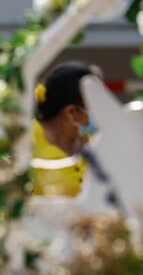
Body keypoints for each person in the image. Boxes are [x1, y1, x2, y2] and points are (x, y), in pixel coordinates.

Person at [31, 61, 102, 196]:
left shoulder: (96, 142)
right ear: (71, 112)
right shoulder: (26, 140)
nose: (100, 113)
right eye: (95, 106)